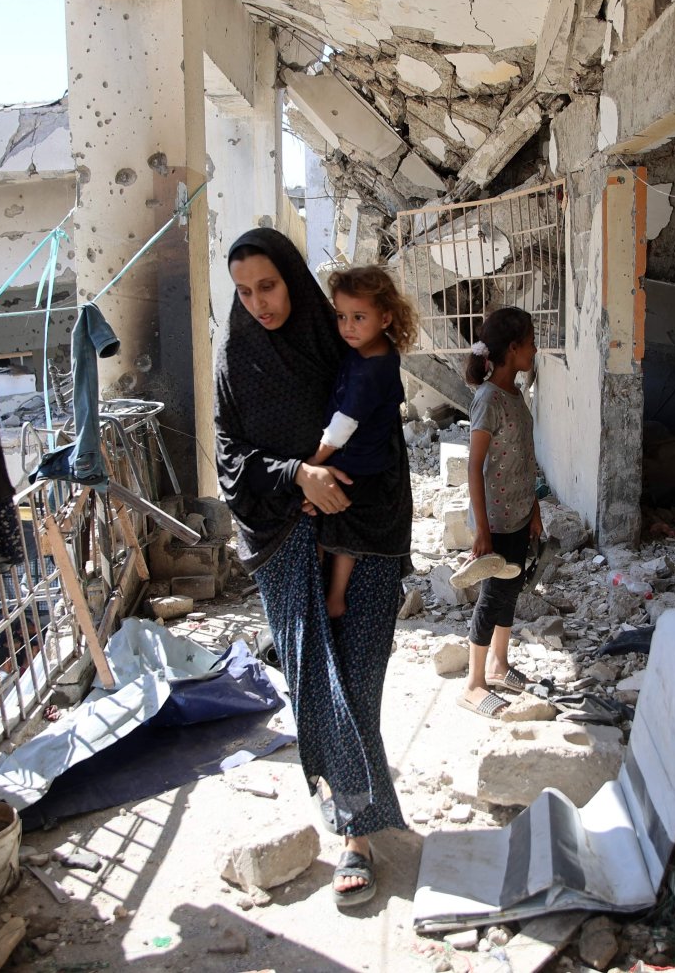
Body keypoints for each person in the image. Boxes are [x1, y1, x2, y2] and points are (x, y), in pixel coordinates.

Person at [215, 228, 412, 908]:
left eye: (268, 285)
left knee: (357, 677)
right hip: (283, 533)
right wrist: (298, 475)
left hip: (364, 527)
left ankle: (358, 823)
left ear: (292, 280)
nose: (259, 302)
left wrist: (341, 489)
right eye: (244, 291)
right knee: (316, 682)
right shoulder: (236, 359)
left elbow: (383, 428)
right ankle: (358, 828)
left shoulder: (339, 338)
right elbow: (228, 457)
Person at [307, 266, 418, 620]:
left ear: (385, 317)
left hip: (361, 463)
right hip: (364, 455)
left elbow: (343, 426)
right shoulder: (374, 349)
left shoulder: (373, 369)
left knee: (341, 529)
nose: (347, 327)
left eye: (358, 317)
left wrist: (314, 462)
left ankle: (335, 597)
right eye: (341, 316)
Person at [456, 307, 543, 719]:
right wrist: (481, 531)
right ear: (513, 348)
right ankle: (472, 683)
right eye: (530, 341)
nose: (535, 348)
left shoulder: (514, 394)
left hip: (519, 512)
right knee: (493, 596)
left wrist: (535, 509)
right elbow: (475, 466)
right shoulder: (488, 399)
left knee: (512, 587)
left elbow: (523, 455)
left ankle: (499, 664)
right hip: (495, 517)